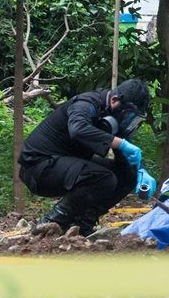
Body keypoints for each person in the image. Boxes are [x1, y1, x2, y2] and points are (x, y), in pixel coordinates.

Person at [18, 78, 157, 236]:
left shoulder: (115, 119)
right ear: (114, 100)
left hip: (63, 165)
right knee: (102, 177)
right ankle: (51, 222)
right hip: (38, 168)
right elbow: (78, 129)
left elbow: (125, 157)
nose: (129, 121)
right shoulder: (86, 103)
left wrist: (140, 171)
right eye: (130, 115)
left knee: (127, 175)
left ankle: (83, 224)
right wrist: (121, 143)